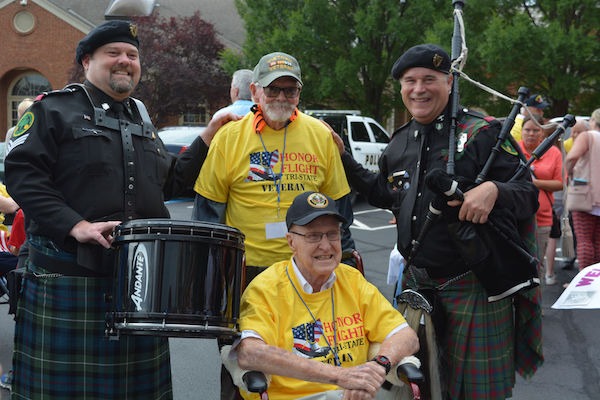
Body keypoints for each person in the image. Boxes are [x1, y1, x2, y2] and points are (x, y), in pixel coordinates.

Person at [4, 20, 237, 399]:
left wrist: (208, 134)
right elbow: (23, 177)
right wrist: (74, 224)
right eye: (113, 53)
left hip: (138, 288)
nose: (124, 61)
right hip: (69, 283)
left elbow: (171, 183)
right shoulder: (54, 110)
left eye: (132, 55)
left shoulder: (141, 119)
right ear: (86, 61)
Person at [333, 44, 542, 399]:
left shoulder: (484, 133)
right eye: (410, 81)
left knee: (477, 393)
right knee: (419, 387)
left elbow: (528, 195)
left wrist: (493, 190)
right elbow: (384, 194)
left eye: (429, 79)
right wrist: (343, 157)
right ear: (401, 88)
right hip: (417, 283)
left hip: (472, 284)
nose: (418, 89)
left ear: (449, 82)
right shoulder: (398, 144)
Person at [235, 191, 419, 400]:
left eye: (332, 234)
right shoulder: (266, 288)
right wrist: (342, 376)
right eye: (313, 235)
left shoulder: (351, 279)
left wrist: (377, 368)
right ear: (291, 242)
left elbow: (406, 336)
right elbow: (249, 352)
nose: (326, 245)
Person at [193, 51, 355, 283]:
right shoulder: (228, 137)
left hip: (307, 268)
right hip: (244, 269)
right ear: (255, 91)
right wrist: (209, 272)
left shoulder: (320, 135)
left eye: (290, 90)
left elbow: (340, 210)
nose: (281, 97)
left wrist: (347, 265)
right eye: (272, 89)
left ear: (299, 93)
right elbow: (208, 215)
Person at [518, 114, 563, 286]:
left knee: (537, 264)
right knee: (514, 263)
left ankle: (535, 309)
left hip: (542, 218)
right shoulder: (512, 149)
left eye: (536, 130)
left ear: (542, 133)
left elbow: (560, 183)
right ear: (521, 131)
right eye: (527, 129)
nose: (531, 133)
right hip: (514, 216)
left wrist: (535, 183)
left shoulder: (553, 153)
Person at [565, 108, 600, 271]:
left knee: (585, 240)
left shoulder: (588, 136)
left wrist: (571, 172)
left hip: (585, 194)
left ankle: (585, 279)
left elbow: (571, 157)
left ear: (593, 121)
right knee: (598, 242)